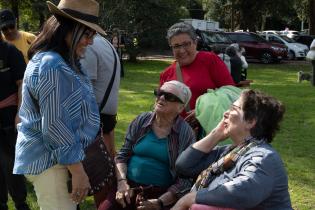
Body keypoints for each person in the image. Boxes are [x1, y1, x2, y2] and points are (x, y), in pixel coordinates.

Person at [13, 0, 106, 209]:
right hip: (52, 163)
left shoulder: (61, 61)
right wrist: (78, 171)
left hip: (58, 161)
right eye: (87, 34)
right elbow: (55, 125)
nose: (90, 42)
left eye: (93, 35)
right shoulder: (52, 64)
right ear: (67, 29)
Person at [171, 89, 292, 210]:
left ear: (250, 122)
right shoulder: (230, 152)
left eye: (233, 108)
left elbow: (243, 192)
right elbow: (184, 166)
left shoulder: (263, 158)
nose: (225, 113)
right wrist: (216, 134)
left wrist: (190, 198)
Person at [99, 80, 196, 210]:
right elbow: (122, 156)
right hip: (127, 187)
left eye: (169, 96)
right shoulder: (142, 120)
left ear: (180, 107)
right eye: (160, 93)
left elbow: (185, 179)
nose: (161, 98)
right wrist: (122, 183)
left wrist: (160, 202)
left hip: (160, 194)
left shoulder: (185, 133)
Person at [160, 22, 235, 133]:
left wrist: (202, 111)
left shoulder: (210, 60)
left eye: (186, 44)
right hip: (176, 135)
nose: (181, 50)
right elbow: (161, 107)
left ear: (195, 42)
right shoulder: (166, 74)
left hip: (209, 132)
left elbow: (231, 94)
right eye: (176, 46)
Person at [80, 33, 121, 207]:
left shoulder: (88, 46)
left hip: (94, 122)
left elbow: (83, 87)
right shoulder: (103, 42)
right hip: (105, 119)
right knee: (106, 173)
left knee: (100, 176)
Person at [0, 34, 29, 210]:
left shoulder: (10, 51)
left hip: (8, 120)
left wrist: (20, 112)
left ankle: (20, 203)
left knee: (10, 164)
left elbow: (23, 84)